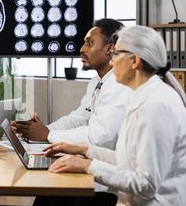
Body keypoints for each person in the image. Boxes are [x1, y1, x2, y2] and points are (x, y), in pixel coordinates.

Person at [22, 25, 186, 206]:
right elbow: (129, 161)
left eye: (116, 54)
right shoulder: (144, 97)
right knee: (57, 204)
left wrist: (87, 166)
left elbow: (146, 183)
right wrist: (84, 150)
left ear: (135, 61)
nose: (111, 60)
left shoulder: (157, 106)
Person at [13, 18, 131, 150]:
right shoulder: (97, 82)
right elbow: (78, 119)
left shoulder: (119, 85)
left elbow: (99, 137)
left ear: (110, 49)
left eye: (89, 43)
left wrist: (48, 135)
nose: (82, 49)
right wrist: (42, 131)